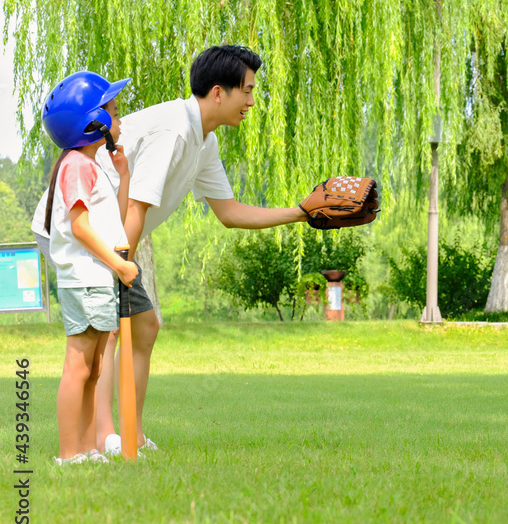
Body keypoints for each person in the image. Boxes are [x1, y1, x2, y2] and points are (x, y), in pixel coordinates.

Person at [33, 45, 308, 455]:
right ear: (219, 92)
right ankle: (108, 438)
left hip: (110, 233)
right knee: (106, 333)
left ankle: (126, 434)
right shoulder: (175, 128)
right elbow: (136, 210)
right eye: (247, 90)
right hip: (79, 229)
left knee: (144, 325)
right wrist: (119, 266)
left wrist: (302, 213)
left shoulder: (203, 141)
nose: (252, 100)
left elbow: (229, 212)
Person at [36, 71, 139, 465]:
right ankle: (69, 453)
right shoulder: (76, 166)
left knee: (95, 369)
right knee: (79, 367)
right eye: (113, 108)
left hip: (97, 278)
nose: (119, 115)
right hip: (86, 279)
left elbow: (113, 216)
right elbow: (80, 227)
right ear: (93, 122)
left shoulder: (90, 166)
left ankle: (87, 447)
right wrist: (117, 265)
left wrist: (123, 172)